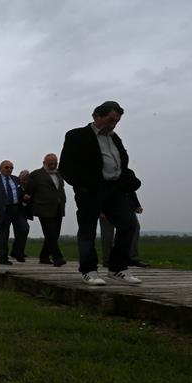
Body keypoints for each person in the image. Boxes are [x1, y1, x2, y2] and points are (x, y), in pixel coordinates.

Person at [59, 100, 142, 286]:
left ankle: (118, 268)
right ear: (96, 116)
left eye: (117, 121)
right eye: (110, 120)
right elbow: (65, 167)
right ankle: (89, 270)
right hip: (91, 191)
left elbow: (121, 163)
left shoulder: (115, 138)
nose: (113, 124)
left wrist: (128, 181)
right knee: (88, 230)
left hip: (114, 190)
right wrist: (83, 185)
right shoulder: (77, 136)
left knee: (129, 224)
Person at [25, 153, 67, 267]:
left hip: (58, 207)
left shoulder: (59, 173)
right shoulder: (36, 174)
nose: (53, 165)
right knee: (50, 233)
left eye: (55, 163)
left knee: (55, 234)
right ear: (44, 163)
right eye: (50, 164)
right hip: (43, 208)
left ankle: (44, 257)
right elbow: (29, 190)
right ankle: (57, 257)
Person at [0, 160, 30, 265]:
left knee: (24, 229)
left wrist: (24, 197)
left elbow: (21, 191)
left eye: (11, 168)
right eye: (6, 167)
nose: (9, 169)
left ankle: (17, 252)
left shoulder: (16, 179)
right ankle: (3, 257)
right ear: (0, 168)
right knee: (4, 234)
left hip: (17, 209)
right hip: (3, 210)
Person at [101, 190, 148, 267]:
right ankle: (107, 260)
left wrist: (137, 205)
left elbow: (131, 189)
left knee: (135, 228)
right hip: (107, 208)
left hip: (125, 207)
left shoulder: (126, 178)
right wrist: (100, 210)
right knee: (107, 235)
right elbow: (98, 191)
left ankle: (131, 258)